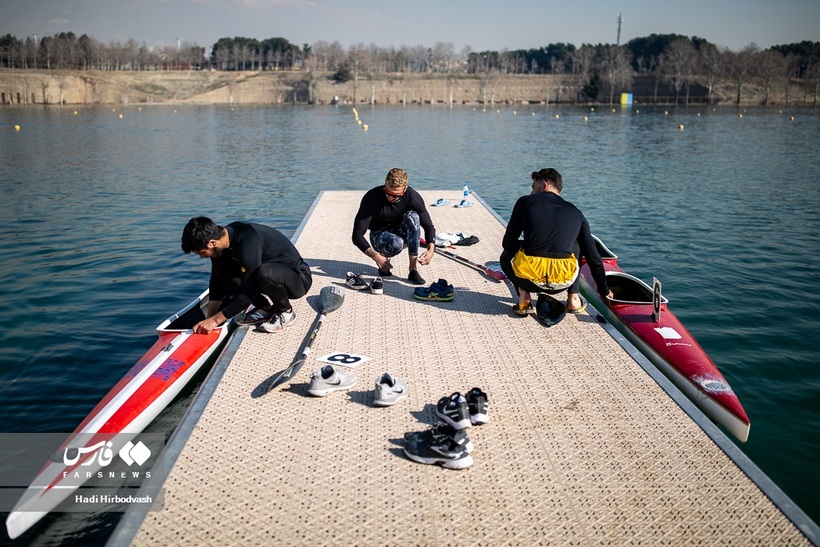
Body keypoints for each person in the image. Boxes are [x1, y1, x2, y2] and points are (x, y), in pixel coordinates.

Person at [500, 168, 613, 314]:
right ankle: (573, 298)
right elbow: (593, 257)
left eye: (534, 188)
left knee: (505, 256)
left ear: (544, 185)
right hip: (563, 281)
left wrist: (526, 247)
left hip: (528, 279)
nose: (532, 193)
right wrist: (604, 290)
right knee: (577, 245)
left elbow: (508, 244)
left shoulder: (525, 202)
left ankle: (524, 297)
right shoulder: (575, 212)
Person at [181, 217, 312, 333]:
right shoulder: (220, 244)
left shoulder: (247, 238)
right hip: (271, 275)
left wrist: (215, 321)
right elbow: (216, 284)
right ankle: (265, 309)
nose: (201, 256)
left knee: (264, 273)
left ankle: (286, 312)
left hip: (298, 278)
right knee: (222, 271)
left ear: (212, 243)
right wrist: (210, 318)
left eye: (201, 252)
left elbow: (248, 291)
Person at [352, 168, 436, 285]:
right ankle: (384, 264)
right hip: (379, 234)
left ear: (405, 189)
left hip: (402, 232)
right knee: (396, 243)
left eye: (397, 195)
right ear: (385, 183)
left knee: (414, 217)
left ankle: (413, 270)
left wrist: (431, 251)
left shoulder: (412, 196)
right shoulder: (372, 197)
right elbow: (357, 236)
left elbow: (429, 227)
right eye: (388, 193)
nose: (391, 197)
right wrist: (376, 256)